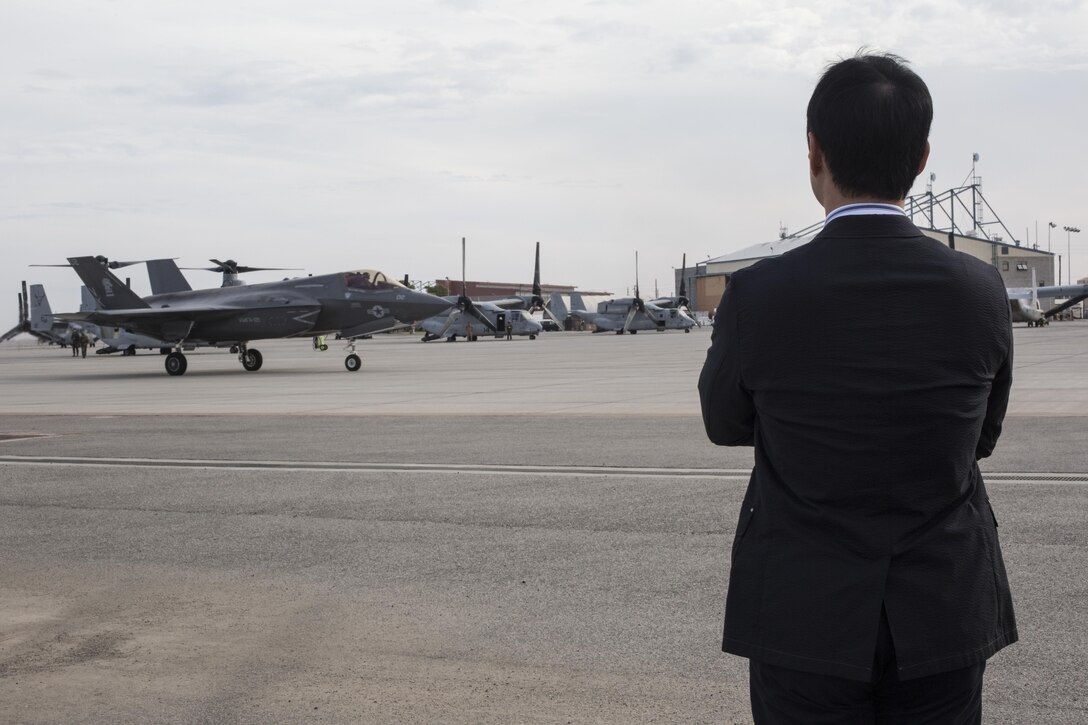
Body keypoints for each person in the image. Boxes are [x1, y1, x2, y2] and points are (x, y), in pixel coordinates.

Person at [698, 51, 1016, 723]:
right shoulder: (981, 290)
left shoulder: (758, 292)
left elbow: (724, 420)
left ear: (813, 151)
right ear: (923, 155)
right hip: (942, 610)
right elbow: (980, 436)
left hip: (803, 613)